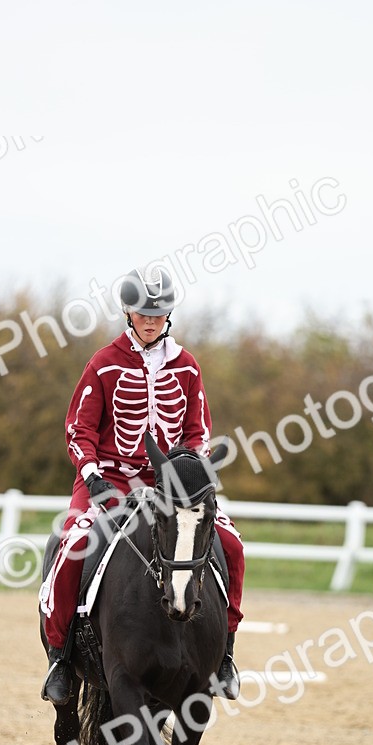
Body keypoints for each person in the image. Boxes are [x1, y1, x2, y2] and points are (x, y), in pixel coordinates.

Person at [39, 266, 244, 705]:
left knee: (230, 542)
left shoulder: (186, 366)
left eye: (159, 313)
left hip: (169, 483)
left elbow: (198, 432)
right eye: (142, 313)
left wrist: (190, 470)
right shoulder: (103, 363)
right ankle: (59, 656)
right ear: (128, 314)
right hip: (108, 479)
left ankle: (224, 653)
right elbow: (80, 429)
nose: (150, 321)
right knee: (71, 544)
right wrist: (91, 474)